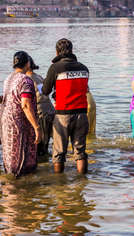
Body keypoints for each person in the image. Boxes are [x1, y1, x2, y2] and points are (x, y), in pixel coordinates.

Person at [42, 38, 89, 174]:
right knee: (80, 152)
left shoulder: (55, 67)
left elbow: (45, 91)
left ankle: (59, 185)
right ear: (72, 51)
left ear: (57, 52)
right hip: (81, 114)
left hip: (63, 114)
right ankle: (82, 183)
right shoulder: (84, 68)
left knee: (58, 153)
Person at [1, 51, 40, 176]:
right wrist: (37, 127)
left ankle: (11, 188)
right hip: (20, 124)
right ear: (27, 63)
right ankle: (23, 189)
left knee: (10, 154)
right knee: (22, 157)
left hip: (6, 122)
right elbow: (25, 105)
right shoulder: (26, 80)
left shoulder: (8, 79)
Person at [26, 56, 56, 157]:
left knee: (38, 147)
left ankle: (42, 167)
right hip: (50, 111)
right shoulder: (38, 77)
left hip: (40, 113)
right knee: (45, 145)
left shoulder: (26, 79)